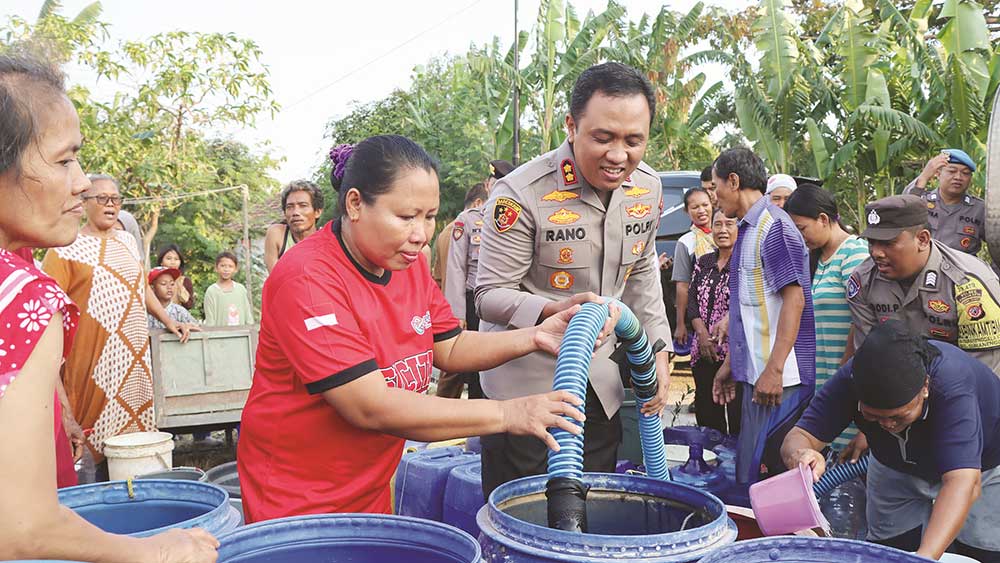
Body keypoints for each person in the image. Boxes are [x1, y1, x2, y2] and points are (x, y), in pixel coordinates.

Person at [237, 135, 607, 523]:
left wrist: (536, 335)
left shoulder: (406, 264)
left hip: (368, 487)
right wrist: (509, 413)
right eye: (406, 217)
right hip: (297, 499)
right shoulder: (307, 278)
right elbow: (368, 405)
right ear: (355, 204)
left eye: (429, 216)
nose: (421, 234)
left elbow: (449, 346)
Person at [0, 48, 217, 563]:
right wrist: (153, 550)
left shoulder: (120, 244)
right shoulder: (24, 292)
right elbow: (22, 526)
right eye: (63, 160)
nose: (83, 183)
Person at [475, 62, 673, 497]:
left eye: (633, 141)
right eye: (603, 138)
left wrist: (659, 348)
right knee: (524, 518)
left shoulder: (647, 188)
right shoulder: (521, 193)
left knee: (594, 511)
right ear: (571, 126)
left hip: (599, 389)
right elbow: (488, 295)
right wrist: (553, 311)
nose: (618, 155)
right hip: (526, 395)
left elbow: (641, 270)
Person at [782, 320, 1000, 562]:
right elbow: (799, 437)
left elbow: (963, 481)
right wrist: (801, 454)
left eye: (898, 416)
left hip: (983, 466)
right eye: (873, 417)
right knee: (888, 552)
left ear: (925, 387)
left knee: (983, 551)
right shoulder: (850, 380)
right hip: (893, 466)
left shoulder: (952, 384)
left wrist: (923, 558)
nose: (888, 425)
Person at [43, 174, 193, 480]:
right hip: (91, 366)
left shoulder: (127, 241)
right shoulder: (64, 248)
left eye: (115, 199)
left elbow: (142, 287)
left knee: (136, 446)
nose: (110, 204)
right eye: (102, 198)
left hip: (133, 360)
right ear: (83, 203)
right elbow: (48, 312)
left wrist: (169, 320)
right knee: (91, 447)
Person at [710, 147, 815, 485]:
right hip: (758, 376)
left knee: (776, 481)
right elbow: (751, 309)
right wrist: (733, 364)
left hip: (779, 381)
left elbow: (794, 300)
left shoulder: (774, 228)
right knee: (751, 474)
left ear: (733, 181)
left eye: (716, 186)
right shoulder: (750, 228)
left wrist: (774, 370)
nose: (714, 196)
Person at [847, 195, 1000, 375]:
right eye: (871, 242)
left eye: (888, 243)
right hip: (896, 382)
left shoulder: (968, 284)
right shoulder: (863, 280)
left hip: (961, 381)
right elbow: (870, 358)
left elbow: (984, 373)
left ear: (922, 239)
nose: (876, 253)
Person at [784, 184, 868, 450]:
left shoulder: (854, 253)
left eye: (802, 228)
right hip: (824, 379)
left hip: (845, 381)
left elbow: (861, 319)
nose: (800, 237)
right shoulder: (818, 259)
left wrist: (842, 378)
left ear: (823, 218)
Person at [687, 209, 741, 434]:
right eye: (718, 224)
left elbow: (748, 303)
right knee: (708, 418)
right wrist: (701, 334)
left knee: (738, 418)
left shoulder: (744, 263)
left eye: (729, 224)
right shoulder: (704, 261)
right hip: (703, 351)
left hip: (734, 354)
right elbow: (691, 300)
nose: (723, 230)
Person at [440, 182, 491, 399]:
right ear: (488, 185)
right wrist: (457, 314)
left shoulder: (514, 215)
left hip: (507, 303)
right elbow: (456, 268)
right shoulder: (469, 220)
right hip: (474, 304)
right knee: (476, 369)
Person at [902, 149, 988, 259]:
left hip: (961, 268)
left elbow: (997, 243)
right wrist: (924, 177)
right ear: (938, 173)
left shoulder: (979, 209)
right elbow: (903, 211)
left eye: (965, 173)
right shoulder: (921, 201)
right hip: (923, 266)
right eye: (952, 171)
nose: (958, 177)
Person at [671, 187, 716, 348]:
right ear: (686, 211)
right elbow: (682, 286)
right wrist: (681, 324)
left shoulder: (726, 234)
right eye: (695, 207)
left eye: (705, 205)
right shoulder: (686, 242)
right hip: (699, 316)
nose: (701, 210)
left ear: (712, 204)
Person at [264, 179, 324, 273]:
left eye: (303, 205)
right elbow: (275, 277)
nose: (295, 212)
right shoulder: (277, 234)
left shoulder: (326, 240)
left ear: (317, 212)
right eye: (290, 207)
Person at [204, 251, 253, 326]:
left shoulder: (241, 289)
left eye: (230, 266)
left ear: (235, 269)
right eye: (223, 266)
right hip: (220, 333)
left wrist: (251, 328)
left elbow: (247, 314)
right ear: (216, 268)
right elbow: (210, 320)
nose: (226, 269)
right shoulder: (211, 291)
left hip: (241, 332)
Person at [158, 243, 196, 310]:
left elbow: (189, 305)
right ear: (161, 262)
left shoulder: (185, 281)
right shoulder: (154, 279)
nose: (173, 262)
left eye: (176, 259)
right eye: (169, 258)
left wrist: (181, 291)